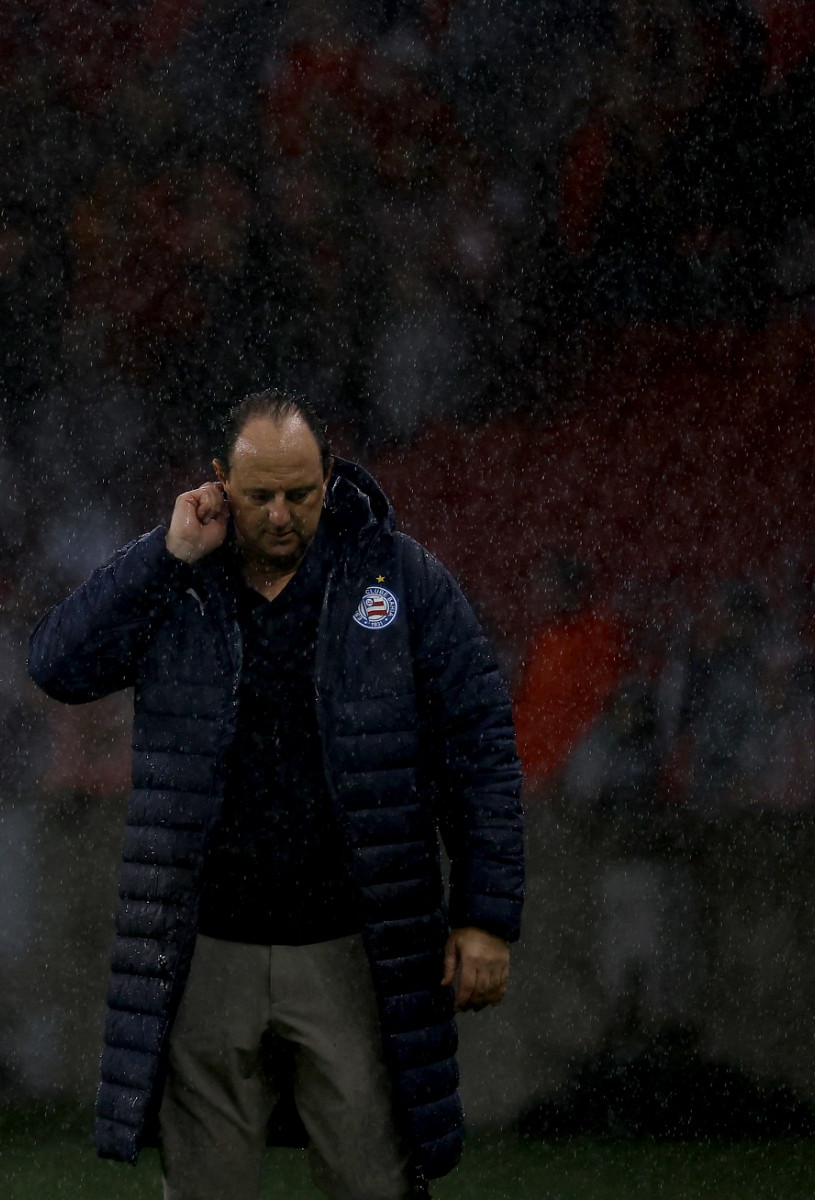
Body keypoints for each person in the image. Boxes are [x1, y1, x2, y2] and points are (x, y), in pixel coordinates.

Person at [27, 391, 524, 1199]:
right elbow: (57, 665)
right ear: (221, 483)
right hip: (206, 953)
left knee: (378, 1184)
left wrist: (486, 915)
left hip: (357, 951)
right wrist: (165, 552)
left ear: (330, 477)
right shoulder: (178, 585)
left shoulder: (402, 582)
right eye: (261, 496)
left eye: (301, 491)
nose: (283, 514)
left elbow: (481, 749)